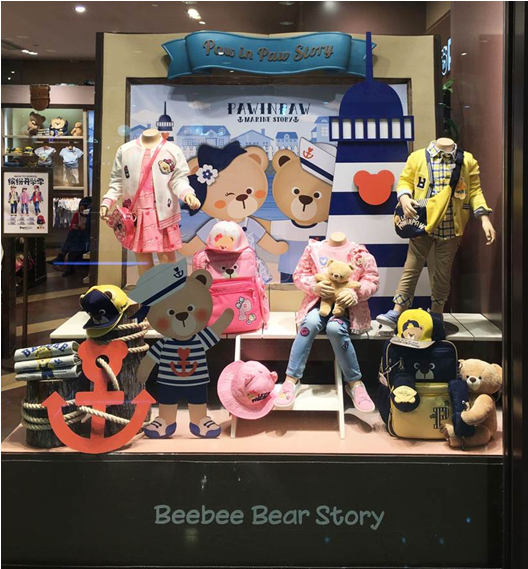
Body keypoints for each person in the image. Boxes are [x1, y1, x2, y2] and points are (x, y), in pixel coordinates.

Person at [275, 232, 379, 412]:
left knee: (335, 329)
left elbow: (372, 279)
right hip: (317, 305)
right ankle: (291, 379)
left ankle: (355, 383)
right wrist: (314, 287)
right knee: (309, 324)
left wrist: (355, 292)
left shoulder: (360, 253)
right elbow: (299, 274)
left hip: (347, 311)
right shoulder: (314, 249)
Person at [49, 196, 91, 277]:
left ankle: (62, 256)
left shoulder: (91, 216)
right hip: (79, 237)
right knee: (73, 237)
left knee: (73, 235)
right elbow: (72, 226)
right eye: (80, 208)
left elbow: (90, 230)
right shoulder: (77, 214)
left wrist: (81, 229)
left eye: (83, 209)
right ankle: (66, 263)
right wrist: (78, 227)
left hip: (86, 237)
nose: (81, 210)